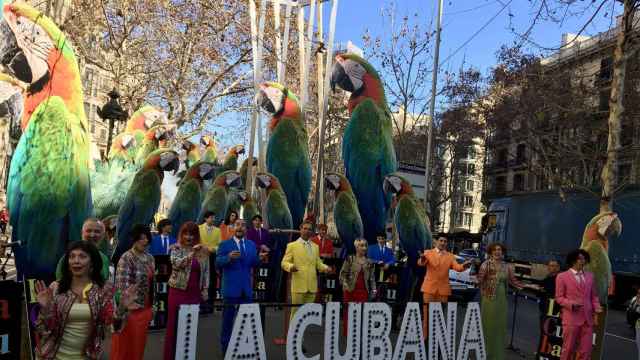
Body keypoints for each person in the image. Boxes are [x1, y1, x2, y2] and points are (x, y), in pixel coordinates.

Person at [33, 241, 136, 360]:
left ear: (92, 262)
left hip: (88, 356)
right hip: (52, 356)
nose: (76, 260)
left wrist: (122, 308)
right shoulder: (56, 288)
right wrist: (46, 308)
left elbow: (111, 327)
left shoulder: (103, 290)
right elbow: (43, 329)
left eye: (82, 256)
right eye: (72, 256)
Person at [477, 243, 538, 360]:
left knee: (500, 327)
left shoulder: (507, 266)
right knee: (488, 325)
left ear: (502, 252)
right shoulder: (486, 264)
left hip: (501, 300)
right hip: (489, 299)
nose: (497, 252)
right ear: (491, 252)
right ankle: (485, 352)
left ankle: (497, 354)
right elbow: (479, 280)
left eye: (499, 250)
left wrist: (530, 287)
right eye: (495, 250)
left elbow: (514, 282)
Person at [163, 221, 210, 360]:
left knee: (190, 328)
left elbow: (206, 272)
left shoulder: (203, 251)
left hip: (194, 294)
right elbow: (177, 264)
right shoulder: (176, 248)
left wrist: (205, 289)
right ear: (181, 235)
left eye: (192, 234)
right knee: (173, 328)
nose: (189, 237)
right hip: (177, 292)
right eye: (186, 234)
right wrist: (191, 254)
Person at [216, 218, 262, 354]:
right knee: (227, 322)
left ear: (246, 229)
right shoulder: (224, 245)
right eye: (237, 225)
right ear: (233, 228)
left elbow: (254, 263)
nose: (240, 227)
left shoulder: (251, 245)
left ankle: (243, 350)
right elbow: (217, 263)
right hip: (230, 289)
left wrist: (260, 259)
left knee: (246, 322)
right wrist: (228, 257)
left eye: (243, 225)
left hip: (246, 289)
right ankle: (225, 351)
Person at [111, 224, 156, 360]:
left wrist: (153, 307)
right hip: (129, 312)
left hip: (145, 310)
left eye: (146, 237)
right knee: (124, 349)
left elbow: (152, 284)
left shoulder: (150, 258)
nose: (145, 241)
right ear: (134, 239)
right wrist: (123, 310)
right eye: (140, 238)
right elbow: (121, 288)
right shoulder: (126, 258)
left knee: (138, 348)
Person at [417, 236, 471, 338]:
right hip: (429, 289)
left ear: (447, 243)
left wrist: (464, 265)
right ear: (436, 242)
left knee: (439, 316)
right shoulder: (428, 252)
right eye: (441, 241)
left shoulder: (450, 256)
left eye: (445, 241)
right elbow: (421, 263)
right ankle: (425, 337)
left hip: (443, 290)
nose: (443, 243)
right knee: (426, 314)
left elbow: (457, 267)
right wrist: (422, 258)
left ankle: (437, 338)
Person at [555, 249, 602, 360]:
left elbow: (594, 296)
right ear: (573, 260)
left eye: (584, 259)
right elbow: (559, 298)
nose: (583, 261)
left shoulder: (590, 276)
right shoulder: (562, 277)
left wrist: (597, 308)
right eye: (580, 259)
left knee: (586, 352)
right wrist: (571, 304)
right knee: (568, 349)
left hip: (587, 319)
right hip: (571, 318)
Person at [282, 220, 331, 319]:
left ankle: (301, 335)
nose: (307, 231)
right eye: (305, 228)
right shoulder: (292, 246)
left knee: (306, 317)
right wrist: (291, 267)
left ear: (312, 231)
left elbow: (318, 263)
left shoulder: (315, 247)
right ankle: (292, 334)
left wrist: (325, 268)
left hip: (312, 287)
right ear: (300, 230)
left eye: (309, 229)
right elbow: (284, 263)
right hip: (299, 286)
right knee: (296, 315)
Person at [339, 238, 376, 332]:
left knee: (361, 315)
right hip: (350, 291)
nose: (364, 248)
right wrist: (345, 284)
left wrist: (374, 290)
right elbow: (342, 274)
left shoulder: (370, 262)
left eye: (365, 245)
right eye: (361, 245)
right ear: (356, 247)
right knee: (348, 314)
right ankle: (348, 334)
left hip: (363, 292)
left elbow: (372, 279)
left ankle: (358, 334)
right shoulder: (350, 259)